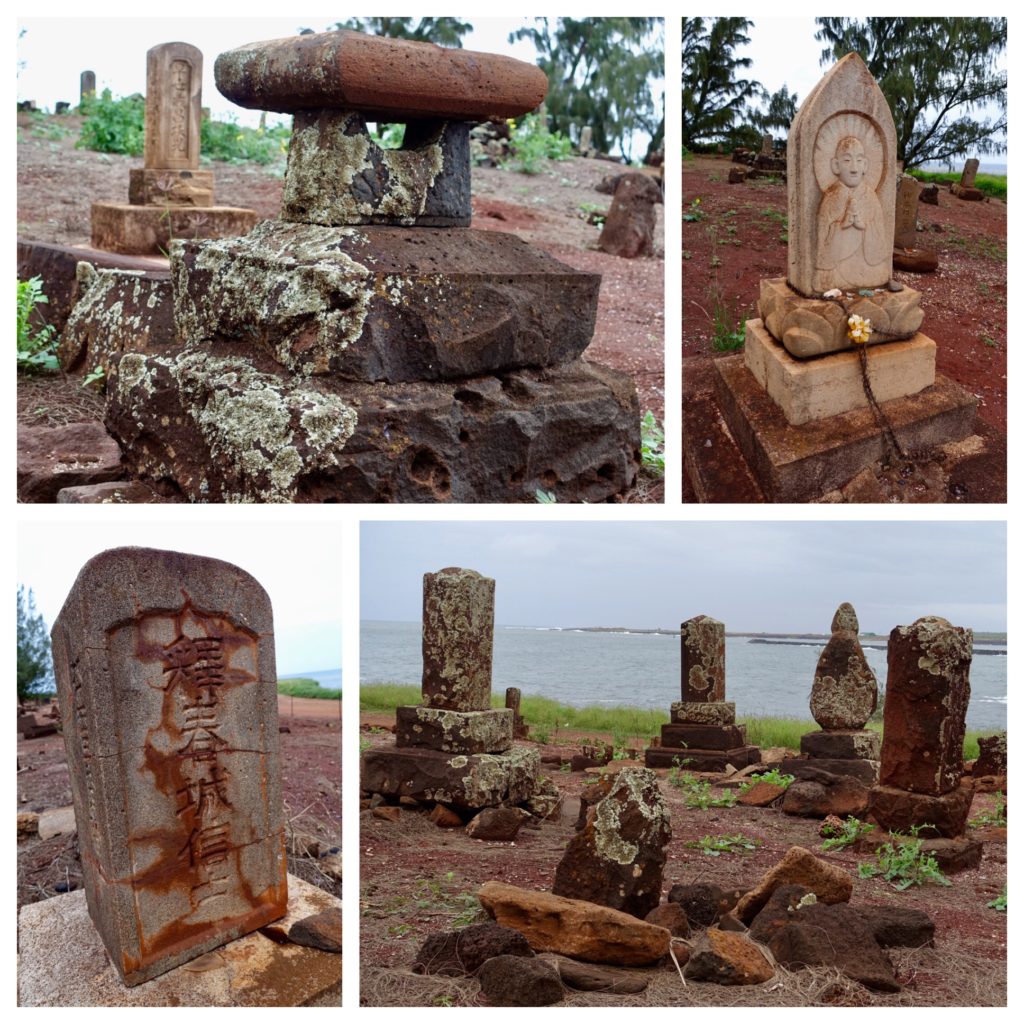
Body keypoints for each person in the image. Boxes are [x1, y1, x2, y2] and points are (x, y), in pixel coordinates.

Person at [814, 135, 888, 292]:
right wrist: (841, 226)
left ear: (865, 165)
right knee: (823, 282)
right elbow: (821, 241)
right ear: (836, 165)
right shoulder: (831, 198)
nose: (854, 168)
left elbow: (880, 238)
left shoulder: (871, 197)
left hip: (867, 267)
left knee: (881, 276)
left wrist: (864, 226)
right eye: (847, 161)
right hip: (835, 268)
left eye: (859, 160)